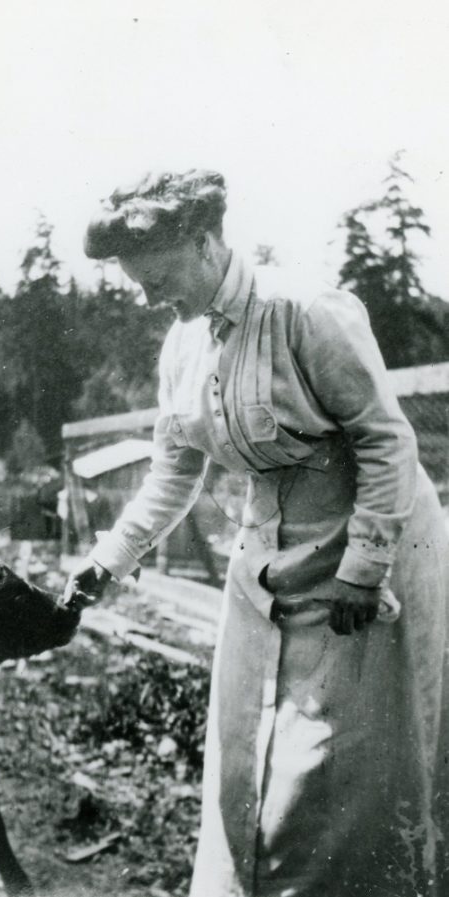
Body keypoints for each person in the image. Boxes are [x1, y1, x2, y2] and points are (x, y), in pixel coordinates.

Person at [66, 169, 449, 896]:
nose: (153, 299)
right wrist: (106, 561)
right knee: (246, 766)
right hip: (266, 565)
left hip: (367, 558)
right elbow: (173, 473)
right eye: (139, 286)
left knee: (336, 782)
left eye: (162, 278)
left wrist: (364, 568)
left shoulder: (305, 313)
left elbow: (387, 442)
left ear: (207, 244)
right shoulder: (183, 347)